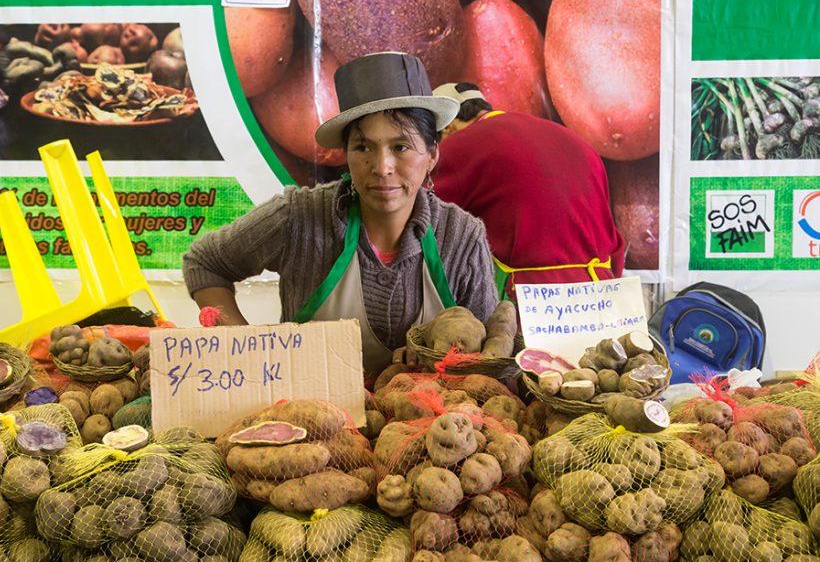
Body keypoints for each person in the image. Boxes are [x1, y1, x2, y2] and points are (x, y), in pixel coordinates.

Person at [184, 53, 498, 379]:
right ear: (346, 154)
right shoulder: (298, 218)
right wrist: (245, 348)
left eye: (401, 147)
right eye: (363, 148)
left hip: (432, 425)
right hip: (310, 418)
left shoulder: (462, 237)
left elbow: (491, 361)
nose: (381, 167)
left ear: (432, 153)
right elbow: (205, 262)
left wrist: (436, 356)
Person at [431, 82, 626, 302]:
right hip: (601, 297)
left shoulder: (459, 145)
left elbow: (423, 221)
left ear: (447, 127)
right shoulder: (576, 141)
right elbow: (612, 238)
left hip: (529, 307)